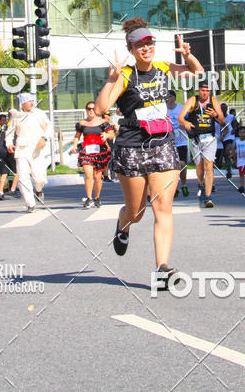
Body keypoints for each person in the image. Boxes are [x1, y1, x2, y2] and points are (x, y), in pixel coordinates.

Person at [95, 18, 204, 288]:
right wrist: (110, 81)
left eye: (149, 43)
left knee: (162, 207)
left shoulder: (164, 68)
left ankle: (162, 269)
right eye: (140, 44)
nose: (146, 48)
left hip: (163, 144)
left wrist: (189, 57)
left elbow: (197, 72)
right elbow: (100, 109)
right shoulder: (125, 75)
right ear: (131, 48)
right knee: (137, 211)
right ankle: (123, 225)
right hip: (131, 146)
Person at [179, 82, 224, 207]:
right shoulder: (193, 101)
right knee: (199, 167)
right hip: (196, 139)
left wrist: (215, 115)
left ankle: (208, 197)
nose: (205, 93)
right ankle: (201, 184)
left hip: (209, 138)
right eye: (203, 90)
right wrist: (185, 123)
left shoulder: (214, 102)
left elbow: (222, 120)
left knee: (208, 165)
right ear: (199, 91)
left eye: (207, 90)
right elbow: (180, 118)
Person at [6, 93, 52, 212]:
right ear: (22, 103)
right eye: (28, 101)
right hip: (21, 150)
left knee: (40, 178)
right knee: (23, 177)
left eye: (32, 101)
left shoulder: (39, 114)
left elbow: (49, 127)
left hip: (37, 150)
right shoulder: (16, 116)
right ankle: (30, 204)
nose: (32, 103)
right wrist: (9, 143)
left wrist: (44, 138)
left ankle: (39, 189)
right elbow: (9, 132)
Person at [72, 101, 114, 208]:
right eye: (88, 109)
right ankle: (89, 198)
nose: (91, 111)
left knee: (97, 177)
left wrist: (106, 135)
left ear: (96, 111)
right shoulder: (81, 123)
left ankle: (97, 197)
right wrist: (75, 145)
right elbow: (77, 136)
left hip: (99, 152)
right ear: (86, 110)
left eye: (93, 109)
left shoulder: (103, 122)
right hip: (86, 151)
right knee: (87, 174)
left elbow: (111, 134)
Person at [167, 91, 190, 197]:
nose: (168, 98)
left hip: (181, 140)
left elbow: (189, 119)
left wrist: (184, 124)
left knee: (182, 164)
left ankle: (184, 184)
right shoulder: (163, 109)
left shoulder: (181, 108)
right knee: (171, 166)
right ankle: (173, 187)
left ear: (174, 98)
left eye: (170, 96)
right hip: (168, 142)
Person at [0, 112, 19, 200]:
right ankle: (12, 190)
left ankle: (0, 192)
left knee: (4, 173)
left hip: (2, 153)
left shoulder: (3, 130)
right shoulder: (14, 130)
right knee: (16, 172)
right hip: (10, 152)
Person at [219, 103, 236, 179]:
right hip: (221, 137)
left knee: (227, 152)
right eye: (222, 108)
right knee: (223, 154)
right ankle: (226, 167)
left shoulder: (231, 117)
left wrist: (234, 130)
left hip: (229, 136)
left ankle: (229, 169)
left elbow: (235, 124)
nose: (223, 109)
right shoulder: (218, 117)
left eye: (225, 108)